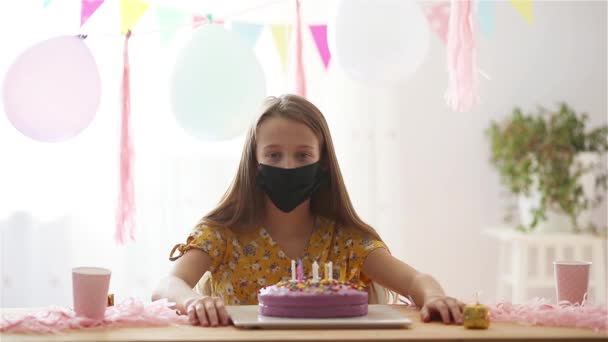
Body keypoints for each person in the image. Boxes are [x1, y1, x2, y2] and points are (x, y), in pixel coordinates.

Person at [152, 94, 464, 327]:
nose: (288, 166)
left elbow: (415, 281)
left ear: (323, 162)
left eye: (303, 156)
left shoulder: (346, 241)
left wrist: (434, 297)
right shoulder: (222, 234)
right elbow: (167, 286)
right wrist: (194, 302)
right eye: (273, 155)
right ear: (255, 164)